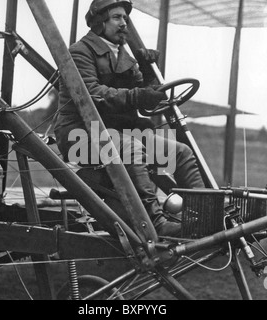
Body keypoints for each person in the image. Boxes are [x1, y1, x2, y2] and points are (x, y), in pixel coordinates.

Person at [54, 0, 205, 238]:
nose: (124, 23)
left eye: (125, 18)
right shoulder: (79, 52)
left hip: (115, 135)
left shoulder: (124, 55)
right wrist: (138, 96)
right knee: (133, 147)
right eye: (117, 17)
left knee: (180, 152)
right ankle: (154, 224)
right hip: (79, 136)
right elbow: (93, 95)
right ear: (98, 22)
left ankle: (204, 217)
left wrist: (146, 71)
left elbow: (147, 97)